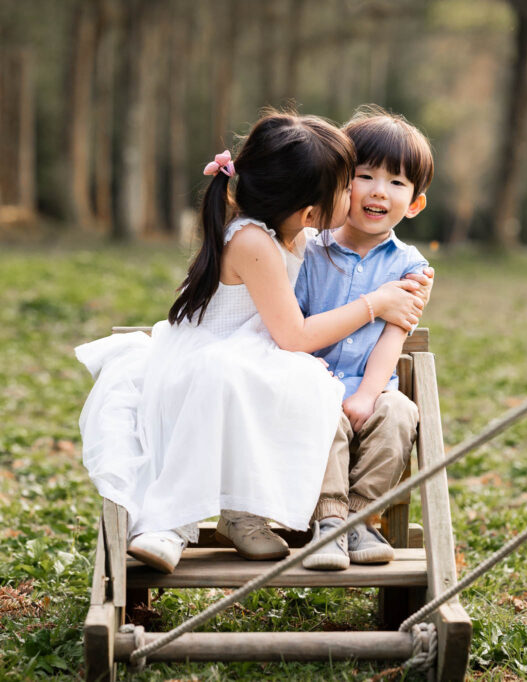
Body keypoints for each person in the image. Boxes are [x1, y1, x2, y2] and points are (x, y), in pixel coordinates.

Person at [75, 111, 427, 574]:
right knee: (261, 387)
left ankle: (276, 516)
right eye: (352, 182)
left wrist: (368, 364)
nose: (365, 193)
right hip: (225, 361)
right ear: (309, 211)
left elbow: (353, 327)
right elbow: (294, 335)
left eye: (391, 183)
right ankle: (174, 524)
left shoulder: (299, 236)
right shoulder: (271, 241)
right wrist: (375, 302)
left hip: (260, 358)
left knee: (332, 395)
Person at [294, 107, 435, 570]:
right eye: (365, 175)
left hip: (369, 384)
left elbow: (394, 335)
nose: (379, 190)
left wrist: (370, 393)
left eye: (396, 182)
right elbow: (291, 321)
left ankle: (359, 518)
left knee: (401, 413)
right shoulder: (308, 248)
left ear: (414, 202)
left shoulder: (410, 266)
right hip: (310, 379)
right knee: (319, 412)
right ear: (339, 183)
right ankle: (328, 521)